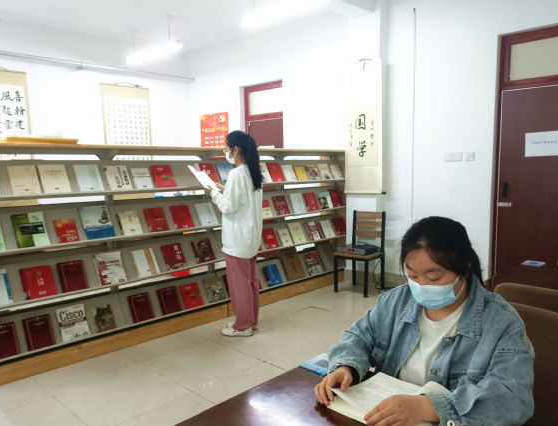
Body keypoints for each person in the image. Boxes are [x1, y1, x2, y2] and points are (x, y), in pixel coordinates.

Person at [315, 216, 534, 425]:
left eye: (434, 277)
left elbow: (513, 399)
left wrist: (427, 407)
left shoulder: (502, 323)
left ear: (465, 269)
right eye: (413, 276)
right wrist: (345, 367)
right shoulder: (396, 301)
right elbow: (358, 337)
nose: (422, 286)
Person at [206, 130, 263, 337]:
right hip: (251, 238)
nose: (225, 152)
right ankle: (251, 321)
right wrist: (224, 189)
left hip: (238, 240)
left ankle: (242, 326)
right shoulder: (254, 172)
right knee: (251, 282)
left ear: (235, 150)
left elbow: (228, 207)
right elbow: (242, 198)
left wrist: (213, 193)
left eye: (226, 148)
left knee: (240, 286)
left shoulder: (236, 174)